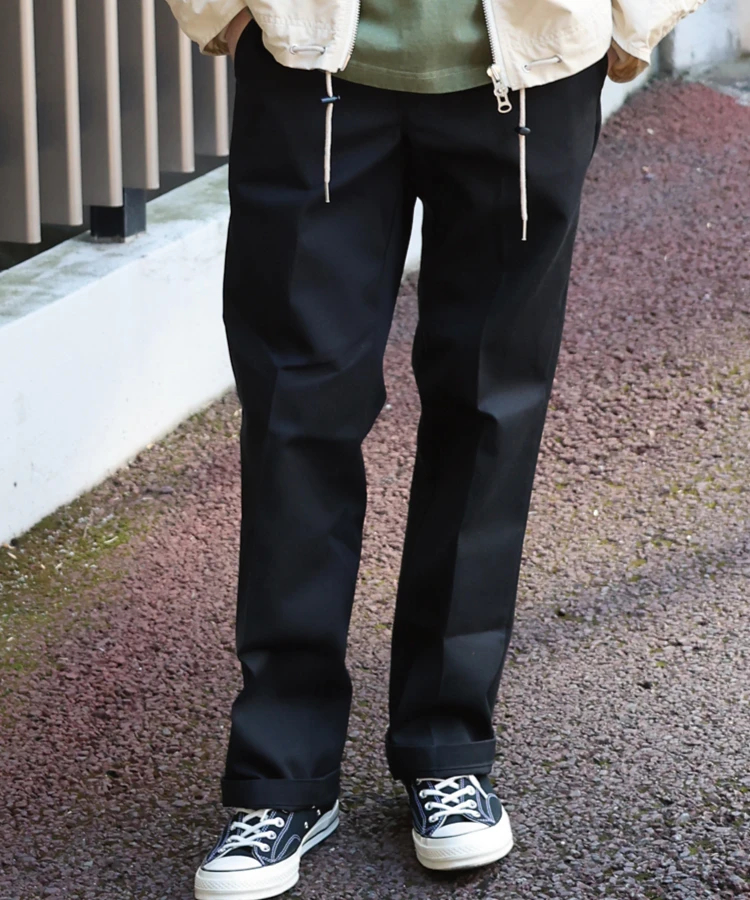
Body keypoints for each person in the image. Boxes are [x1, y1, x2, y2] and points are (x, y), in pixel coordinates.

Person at [165, 1, 706, 897]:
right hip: (313, 70)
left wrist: (625, 21)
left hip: (528, 73)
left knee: (489, 411)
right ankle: (280, 775)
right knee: (297, 413)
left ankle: (447, 751)